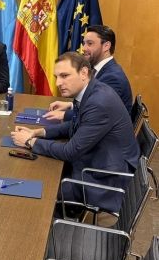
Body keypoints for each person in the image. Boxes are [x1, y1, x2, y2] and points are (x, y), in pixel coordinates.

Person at [11, 52, 139, 213]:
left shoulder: (99, 102)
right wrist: (38, 132)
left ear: (84, 73)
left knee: (41, 194)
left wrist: (30, 142)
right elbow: (75, 124)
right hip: (97, 162)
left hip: (104, 179)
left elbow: (70, 151)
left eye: (64, 76)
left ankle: (55, 224)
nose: (58, 83)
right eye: (57, 77)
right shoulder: (91, 90)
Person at [44, 25, 133, 121]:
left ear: (106, 46)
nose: (84, 48)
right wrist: (70, 105)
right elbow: (92, 102)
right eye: (84, 43)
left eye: (90, 44)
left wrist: (65, 115)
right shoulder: (101, 69)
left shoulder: (112, 77)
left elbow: (97, 113)